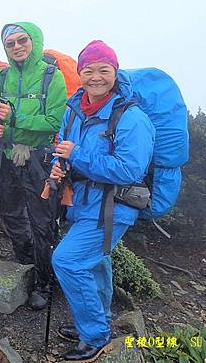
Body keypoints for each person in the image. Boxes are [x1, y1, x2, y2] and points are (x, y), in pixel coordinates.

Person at [50, 41, 155, 362]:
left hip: (113, 205)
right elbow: (63, 145)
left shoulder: (131, 117)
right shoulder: (75, 108)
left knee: (67, 261)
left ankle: (95, 336)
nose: (95, 77)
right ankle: (98, 319)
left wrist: (77, 156)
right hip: (83, 202)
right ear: (79, 73)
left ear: (115, 72)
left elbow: (129, 168)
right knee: (95, 261)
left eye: (103, 70)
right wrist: (60, 166)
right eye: (88, 70)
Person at [0, 22, 67, 309]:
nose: (17, 47)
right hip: (7, 157)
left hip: (38, 159)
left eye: (22, 41)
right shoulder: (1, 77)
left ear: (34, 42)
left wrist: (17, 123)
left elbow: (54, 122)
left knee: (42, 222)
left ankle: (44, 283)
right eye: (10, 43)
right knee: (10, 213)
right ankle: (28, 262)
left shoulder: (51, 77)